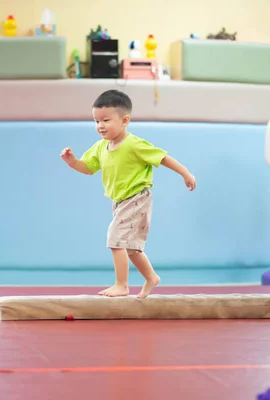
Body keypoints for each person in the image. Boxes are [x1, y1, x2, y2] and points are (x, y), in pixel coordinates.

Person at [60, 90, 196, 299]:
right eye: (96, 121)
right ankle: (151, 277)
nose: (100, 126)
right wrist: (72, 162)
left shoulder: (134, 144)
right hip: (119, 201)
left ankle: (121, 284)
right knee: (131, 248)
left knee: (115, 240)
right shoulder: (100, 147)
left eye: (106, 120)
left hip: (136, 198)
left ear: (125, 120)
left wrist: (185, 173)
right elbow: (88, 168)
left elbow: (163, 157)